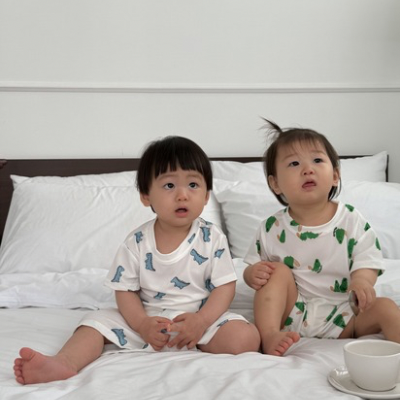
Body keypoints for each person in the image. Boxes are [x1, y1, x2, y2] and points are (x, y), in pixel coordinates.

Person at [14, 136, 260, 384]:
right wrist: (142, 324)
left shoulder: (212, 238)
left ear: (206, 195)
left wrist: (201, 321)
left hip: (199, 317)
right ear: (145, 195)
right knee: (93, 324)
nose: (182, 195)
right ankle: (64, 362)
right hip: (147, 319)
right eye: (169, 185)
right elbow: (125, 291)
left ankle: (196, 341)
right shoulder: (137, 242)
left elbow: (224, 286)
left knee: (245, 338)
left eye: (193, 185)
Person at [243, 119, 400, 356]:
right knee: (276, 271)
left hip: (346, 313)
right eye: (294, 163)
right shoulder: (271, 227)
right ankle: (269, 335)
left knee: (386, 307)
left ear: (335, 175)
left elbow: (367, 258)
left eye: (317, 160)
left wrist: (362, 281)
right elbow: (253, 267)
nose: (308, 169)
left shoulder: (351, 219)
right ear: (275, 184)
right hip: (291, 313)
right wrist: (251, 274)